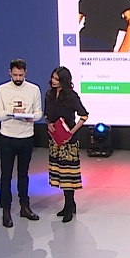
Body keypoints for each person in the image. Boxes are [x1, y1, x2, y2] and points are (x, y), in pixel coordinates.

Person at [0, 58, 43, 228]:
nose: (18, 78)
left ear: (25, 73)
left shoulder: (34, 89)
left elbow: (38, 114)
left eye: (20, 75)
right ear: (10, 73)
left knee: (24, 174)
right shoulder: (2, 90)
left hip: (26, 138)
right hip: (7, 138)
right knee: (6, 175)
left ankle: (24, 207)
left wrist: (30, 117)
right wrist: (13, 113)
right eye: (15, 75)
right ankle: (6, 210)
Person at [44, 66, 89, 222]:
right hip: (55, 140)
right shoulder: (49, 95)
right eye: (53, 78)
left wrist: (71, 131)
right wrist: (48, 123)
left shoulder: (71, 96)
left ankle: (69, 206)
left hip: (69, 142)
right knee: (60, 174)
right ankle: (69, 204)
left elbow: (84, 115)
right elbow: (47, 114)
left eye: (57, 79)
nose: (53, 81)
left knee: (68, 175)